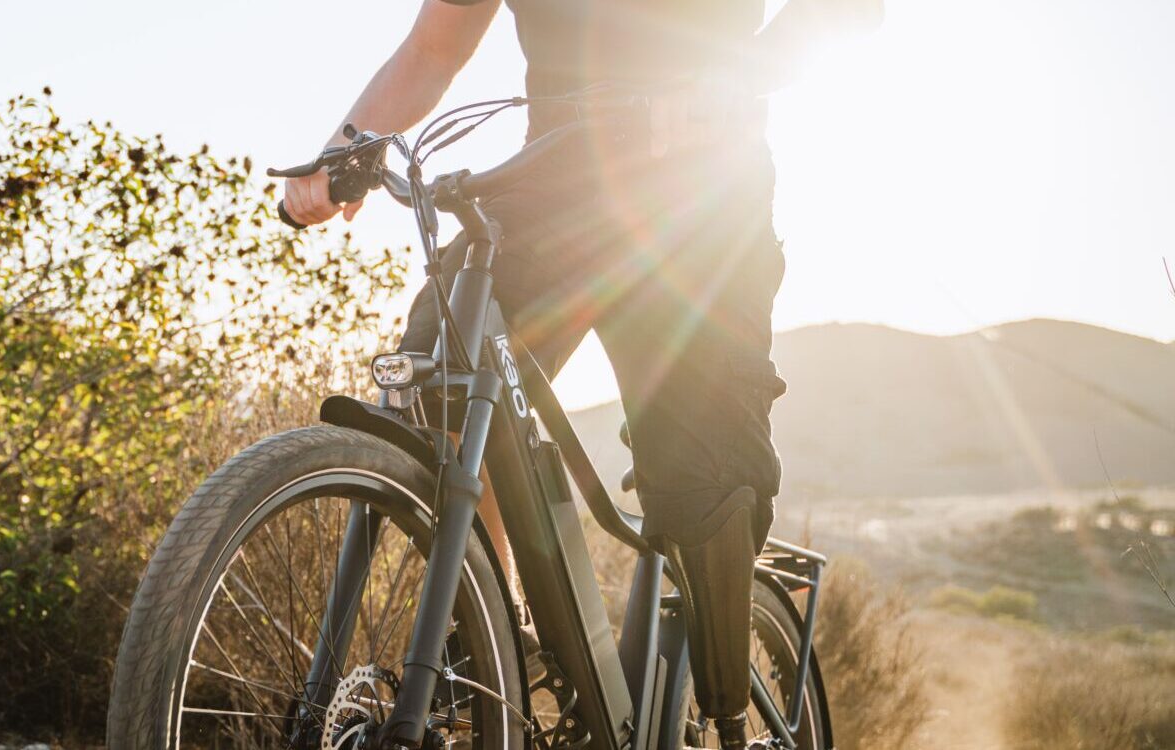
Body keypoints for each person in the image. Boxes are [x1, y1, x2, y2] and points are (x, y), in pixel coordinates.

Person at [280, 0, 878, 746]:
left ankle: (728, 719)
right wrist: (345, 149)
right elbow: (434, 47)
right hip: (551, 190)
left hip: (701, 205)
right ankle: (501, 639)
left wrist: (738, 76)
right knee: (440, 382)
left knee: (706, 496)